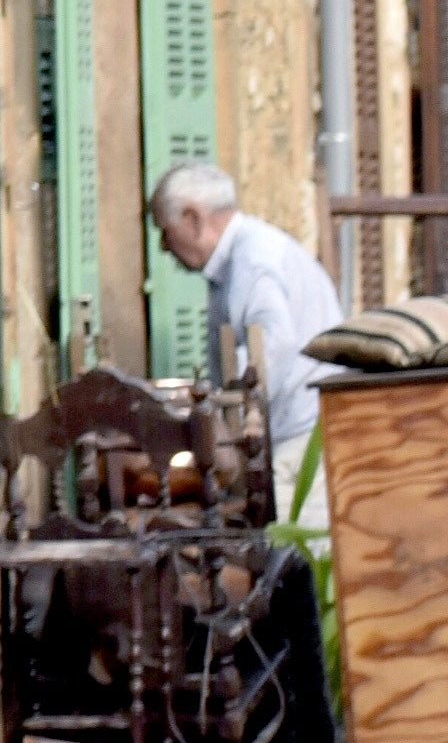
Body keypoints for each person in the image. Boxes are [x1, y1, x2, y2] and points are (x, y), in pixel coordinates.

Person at [147, 162, 345, 519]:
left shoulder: (252, 260)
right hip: (300, 435)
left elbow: (272, 346)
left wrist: (207, 401)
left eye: (165, 229)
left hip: (300, 443)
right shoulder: (247, 254)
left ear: (193, 219)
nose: (163, 246)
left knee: (283, 554)